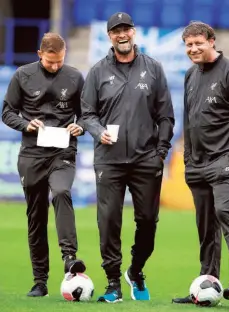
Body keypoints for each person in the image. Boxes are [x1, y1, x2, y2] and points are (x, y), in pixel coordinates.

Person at [81, 12, 174, 303]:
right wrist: (97, 132)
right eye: (116, 31)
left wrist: (160, 152)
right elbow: (86, 114)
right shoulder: (97, 71)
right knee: (108, 221)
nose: (122, 35)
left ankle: (135, 270)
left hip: (146, 159)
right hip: (108, 160)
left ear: (133, 33)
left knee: (148, 221)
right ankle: (112, 283)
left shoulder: (153, 69)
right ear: (110, 36)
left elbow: (166, 115)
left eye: (127, 30)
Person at [172, 21, 229, 304]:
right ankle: (206, 283)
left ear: (212, 41)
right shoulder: (190, 75)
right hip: (196, 163)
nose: (193, 49)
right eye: (189, 45)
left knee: (225, 213)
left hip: (225, 161)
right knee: (205, 227)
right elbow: (189, 118)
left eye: (198, 43)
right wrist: (187, 158)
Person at [2, 32, 86, 297]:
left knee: (61, 192)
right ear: (40, 55)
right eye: (50, 62)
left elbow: (87, 114)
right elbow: (6, 112)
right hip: (31, 154)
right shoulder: (22, 75)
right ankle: (40, 281)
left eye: (59, 61)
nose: (55, 66)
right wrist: (26, 124)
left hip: (62, 152)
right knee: (36, 218)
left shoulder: (74, 77)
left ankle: (70, 258)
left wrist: (80, 126)